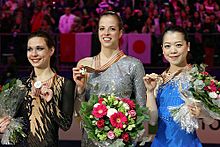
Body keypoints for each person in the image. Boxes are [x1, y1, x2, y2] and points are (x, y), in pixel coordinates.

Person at [72, 11, 146, 147]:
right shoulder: (85, 64)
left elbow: (141, 111)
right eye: (102, 28)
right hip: (91, 141)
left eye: (112, 29)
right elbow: (79, 114)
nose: (106, 33)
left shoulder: (134, 65)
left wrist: (125, 137)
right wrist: (80, 89)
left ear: (120, 33)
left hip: (121, 141)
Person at [143, 26, 215, 147]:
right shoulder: (158, 80)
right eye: (167, 46)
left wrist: (201, 113)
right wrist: (149, 92)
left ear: (188, 46)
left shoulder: (198, 78)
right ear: (162, 49)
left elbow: (211, 120)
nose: (173, 51)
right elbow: (152, 121)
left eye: (178, 45)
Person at [24, 31, 74, 146]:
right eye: (29, 49)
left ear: (51, 51)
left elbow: (65, 125)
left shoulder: (65, 84)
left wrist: (50, 102)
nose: (34, 54)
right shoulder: (22, 85)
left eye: (39, 48)